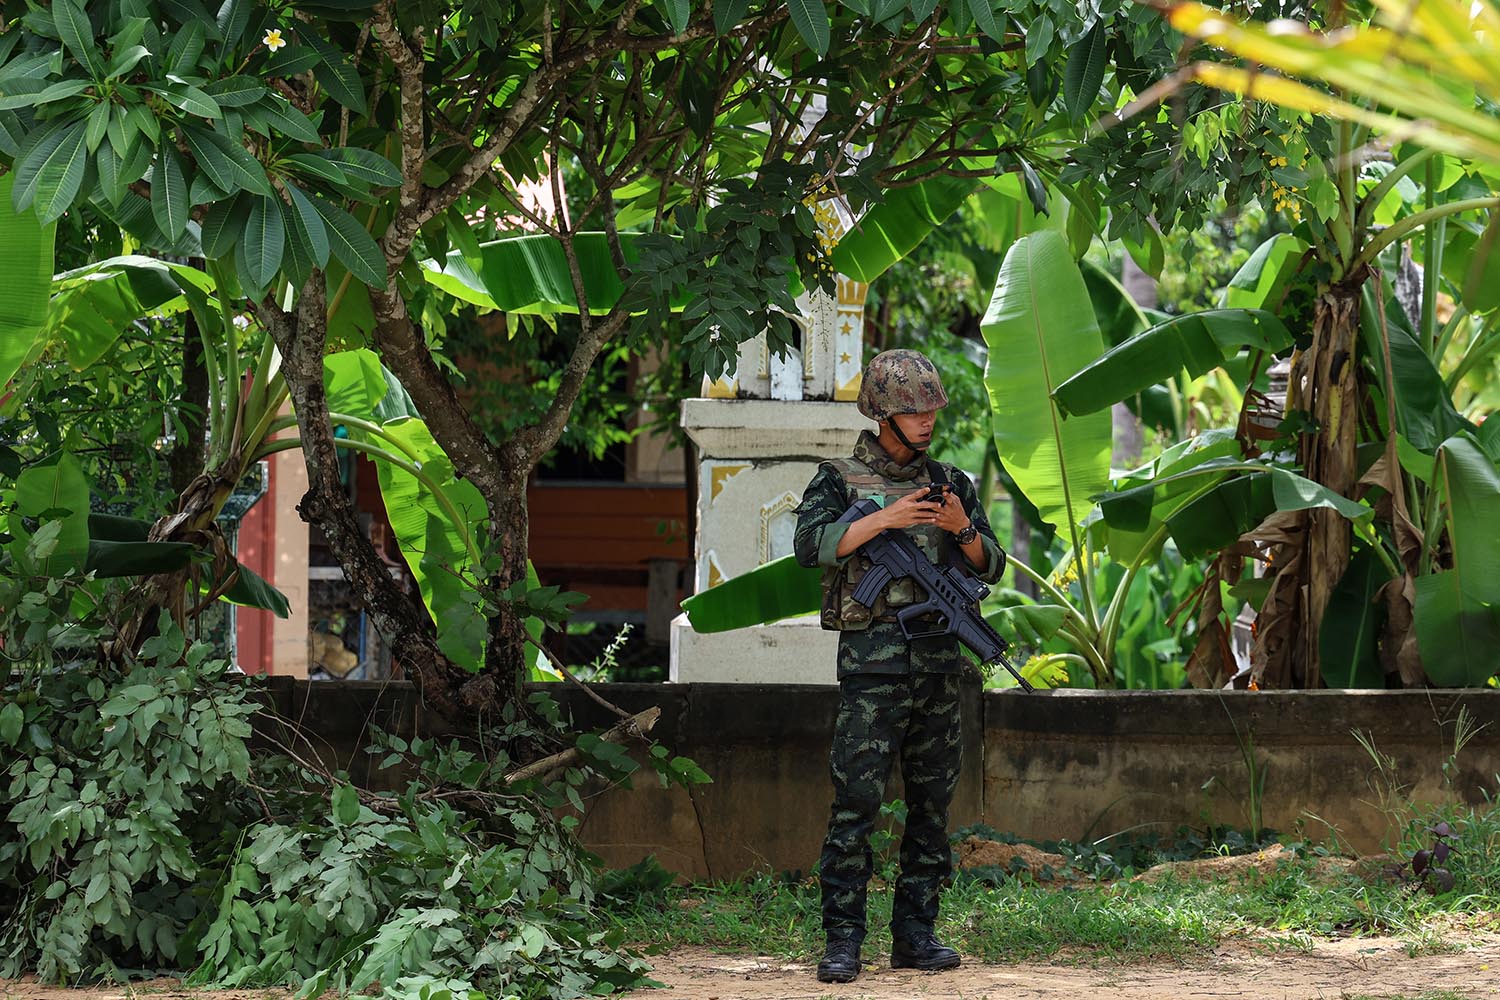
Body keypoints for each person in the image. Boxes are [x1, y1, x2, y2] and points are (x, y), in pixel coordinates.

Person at [792, 349, 1006, 984]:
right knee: (856, 802)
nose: (927, 420)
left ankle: (916, 935)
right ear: (883, 413)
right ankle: (843, 941)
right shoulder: (837, 479)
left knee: (931, 806)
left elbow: (988, 565)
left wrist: (963, 529)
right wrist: (884, 520)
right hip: (872, 669)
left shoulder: (953, 484)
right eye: (913, 409)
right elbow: (810, 547)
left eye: (932, 408)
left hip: (939, 669)